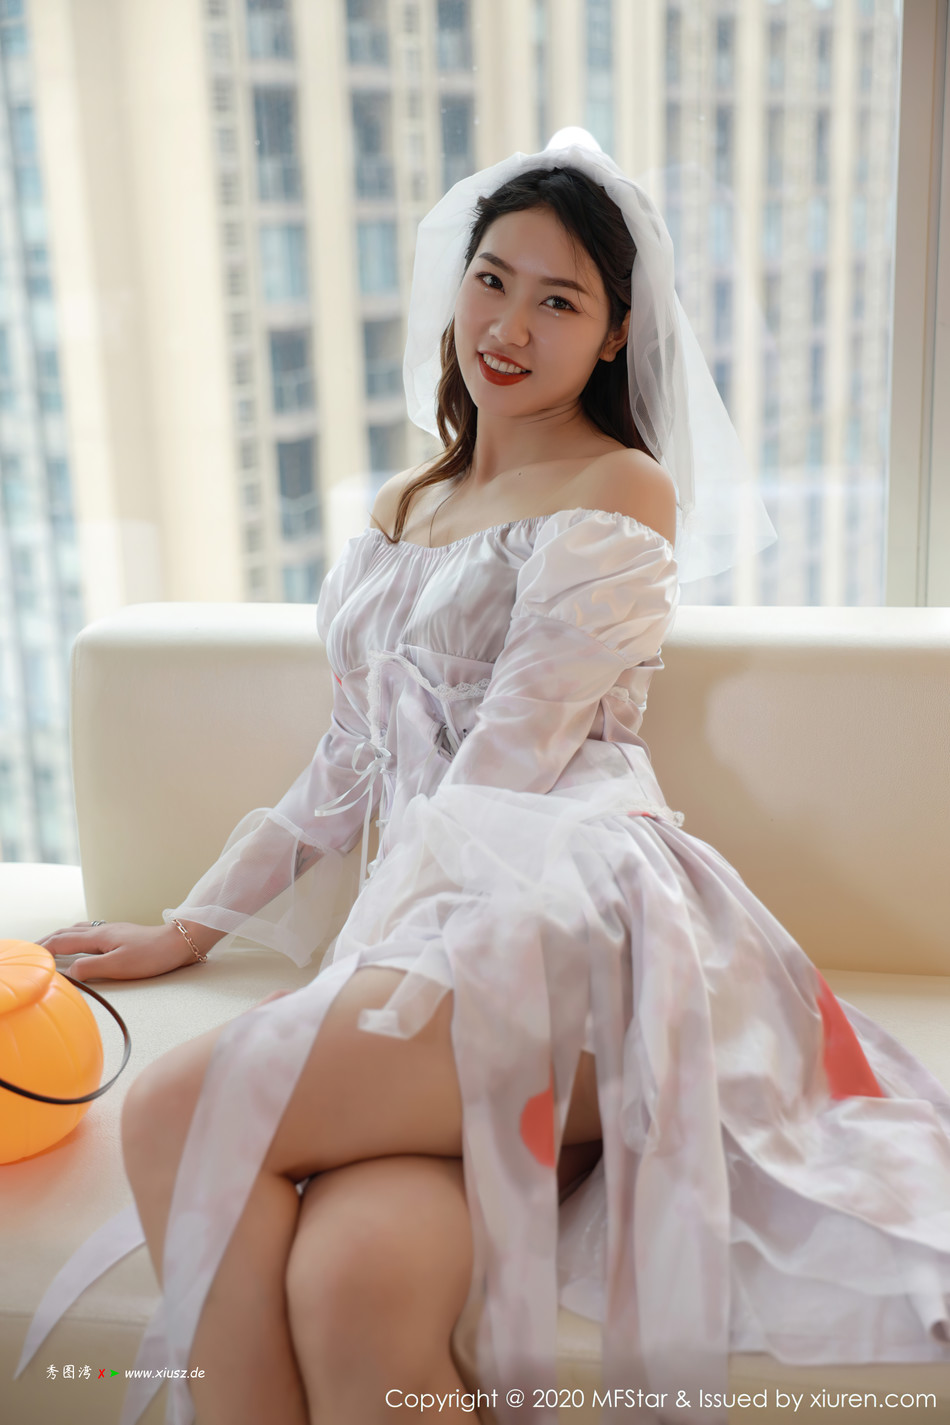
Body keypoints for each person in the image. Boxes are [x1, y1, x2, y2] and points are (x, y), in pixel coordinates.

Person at [24, 137, 950, 1425]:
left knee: (180, 1108)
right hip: (437, 926)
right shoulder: (406, 506)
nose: (508, 328)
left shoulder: (619, 488)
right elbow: (349, 762)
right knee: (357, 1279)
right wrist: (189, 928)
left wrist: (357, 972)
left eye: (559, 301)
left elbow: (511, 757)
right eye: (492, 281)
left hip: (565, 910)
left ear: (616, 335)